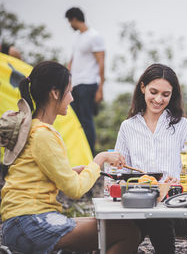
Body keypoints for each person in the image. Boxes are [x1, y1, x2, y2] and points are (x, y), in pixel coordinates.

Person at [0, 61, 140, 253]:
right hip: (30, 222)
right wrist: (99, 159)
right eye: (69, 92)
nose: (72, 98)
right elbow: (75, 190)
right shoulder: (43, 134)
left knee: (104, 226)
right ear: (55, 93)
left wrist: (71, 172)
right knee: (127, 232)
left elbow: (34, 173)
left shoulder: (32, 128)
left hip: (22, 221)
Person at [114, 63, 187, 254]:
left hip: (174, 205)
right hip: (140, 204)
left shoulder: (182, 126)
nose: (158, 99)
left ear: (173, 95)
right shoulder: (128, 127)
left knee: (159, 218)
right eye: (153, 92)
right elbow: (119, 172)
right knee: (136, 224)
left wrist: (178, 183)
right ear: (142, 88)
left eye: (165, 94)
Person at [65, 7, 105, 155]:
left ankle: (90, 155)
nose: (69, 25)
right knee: (75, 121)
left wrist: (100, 88)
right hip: (75, 84)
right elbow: (72, 61)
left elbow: (101, 62)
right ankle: (78, 154)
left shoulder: (94, 36)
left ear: (74, 19)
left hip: (88, 83)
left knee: (87, 121)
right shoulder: (77, 37)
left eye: (69, 21)